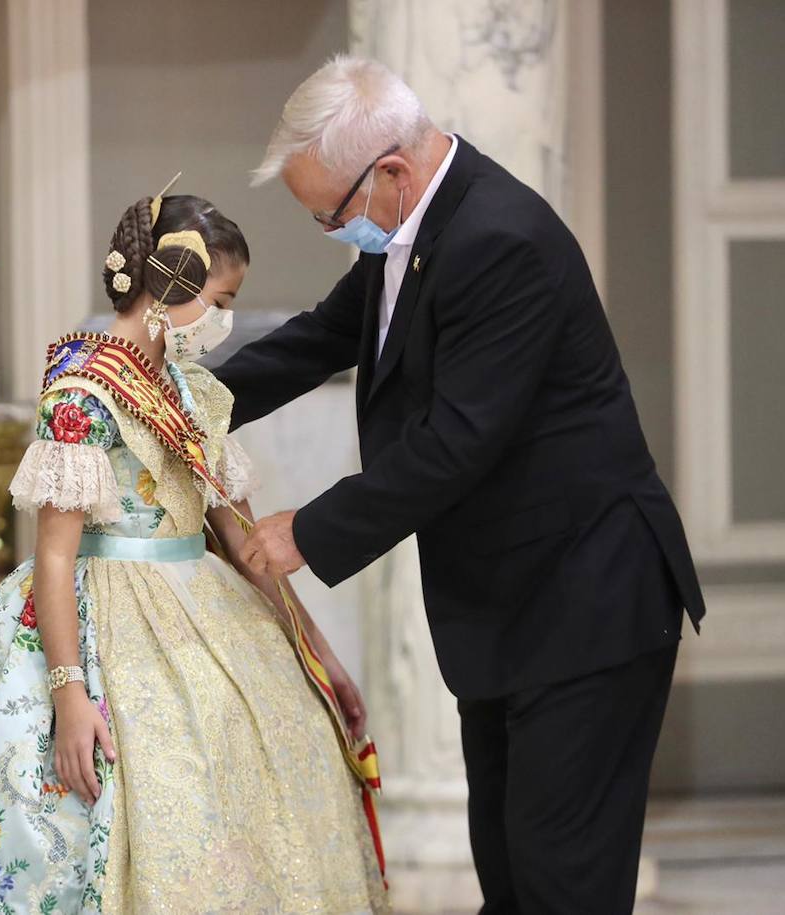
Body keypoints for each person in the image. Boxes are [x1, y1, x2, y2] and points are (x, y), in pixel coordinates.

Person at [221, 55, 706, 914]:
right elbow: (322, 337)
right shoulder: (417, 224)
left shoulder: (499, 239)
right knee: (514, 879)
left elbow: (457, 443)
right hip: (513, 608)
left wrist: (308, 529)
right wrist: (186, 398)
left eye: (329, 215)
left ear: (392, 173)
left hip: (587, 599)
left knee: (562, 885)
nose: (333, 233)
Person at [0, 190, 388, 914]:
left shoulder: (192, 391)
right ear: (174, 286)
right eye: (222, 299)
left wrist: (313, 650)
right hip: (103, 621)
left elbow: (239, 534)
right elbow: (54, 556)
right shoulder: (81, 387)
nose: (225, 320)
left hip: (206, 609)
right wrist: (70, 694)